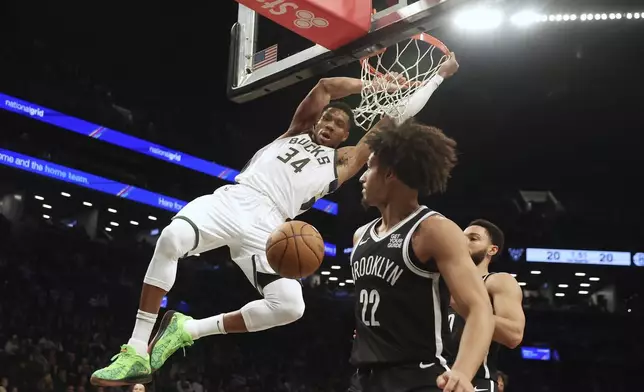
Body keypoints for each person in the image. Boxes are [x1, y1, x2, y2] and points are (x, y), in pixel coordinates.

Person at [90, 55, 460, 386]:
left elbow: (394, 118)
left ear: (347, 136)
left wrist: (436, 78)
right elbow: (325, 87)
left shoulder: (344, 163)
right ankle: (136, 349)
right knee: (171, 238)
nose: (329, 124)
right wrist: (378, 84)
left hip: (271, 227)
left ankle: (188, 329)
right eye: (327, 117)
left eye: (337, 124)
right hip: (236, 199)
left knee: (290, 306)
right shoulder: (295, 131)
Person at [349, 119, 494, 392]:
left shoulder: (434, 230)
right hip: (363, 378)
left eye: (369, 166)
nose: (362, 176)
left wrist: (462, 373)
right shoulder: (360, 236)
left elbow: (479, 308)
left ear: (390, 173)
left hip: (416, 378)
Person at [446, 220, 525, 392]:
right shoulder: (441, 282)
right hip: (435, 377)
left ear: (492, 250)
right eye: (462, 238)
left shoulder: (497, 281)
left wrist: (465, 306)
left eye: (473, 238)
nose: (464, 242)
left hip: (476, 382)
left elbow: (514, 335)